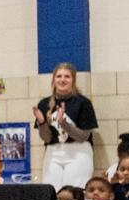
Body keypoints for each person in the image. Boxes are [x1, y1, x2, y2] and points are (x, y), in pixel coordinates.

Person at [35, 62, 97, 191]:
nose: (62, 80)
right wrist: (42, 122)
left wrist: (64, 124)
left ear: (73, 80)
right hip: (53, 152)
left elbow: (83, 137)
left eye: (67, 76)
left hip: (78, 151)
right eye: (59, 76)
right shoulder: (44, 103)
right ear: (53, 79)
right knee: (50, 191)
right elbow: (46, 138)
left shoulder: (83, 103)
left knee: (73, 193)